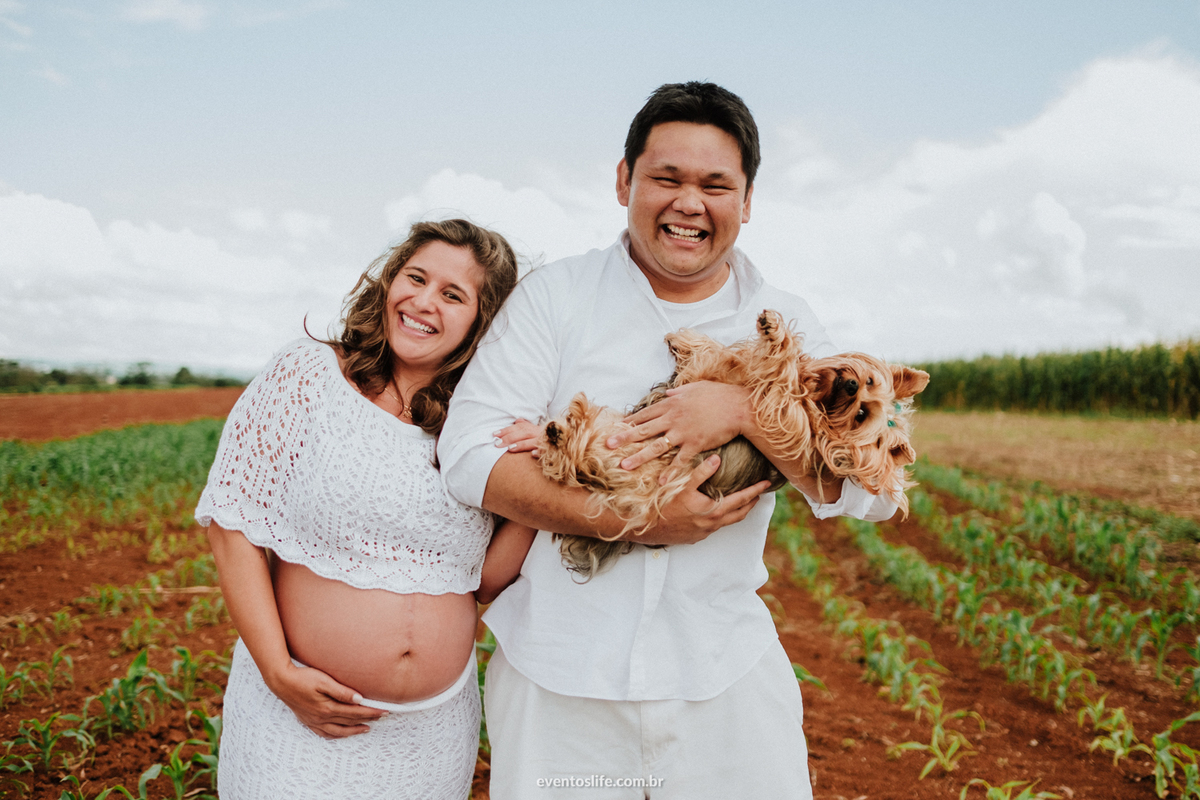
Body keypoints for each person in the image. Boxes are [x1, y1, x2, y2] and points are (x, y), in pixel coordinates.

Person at [438, 83, 900, 799]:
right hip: (561, 681)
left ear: (747, 201)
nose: (691, 203)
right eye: (667, 178)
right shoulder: (556, 297)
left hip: (724, 680)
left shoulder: (789, 321)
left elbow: (869, 495)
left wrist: (745, 412)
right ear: (624, 180)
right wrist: (636, 519)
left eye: (717, 185)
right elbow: (469, 458)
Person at [195, 218, 532, 799]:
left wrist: (535, 477)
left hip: (433, 732)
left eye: (453, 295)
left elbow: (484, 580)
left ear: (485, 320)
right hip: (299, 717)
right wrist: (279, 672)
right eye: (415, 277)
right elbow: (232, 523)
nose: (424, 302)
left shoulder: (481, 427)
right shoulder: (306, 376)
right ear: (387, 281)